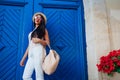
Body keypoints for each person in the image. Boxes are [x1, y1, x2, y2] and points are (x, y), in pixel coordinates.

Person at [20, 12, 50, 80]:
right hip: (31, 54)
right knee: (25, 77)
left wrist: (39, 41)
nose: (37, 18)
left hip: (39, 53)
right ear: (34, 19)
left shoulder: (44, 30)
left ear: (42, 20)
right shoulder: (32, 32)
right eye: (36, 17)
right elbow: (29, 46)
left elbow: (48, 43)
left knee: (39, 76)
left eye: (39, 17)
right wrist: (23, 59)